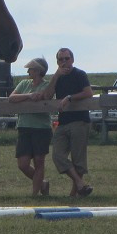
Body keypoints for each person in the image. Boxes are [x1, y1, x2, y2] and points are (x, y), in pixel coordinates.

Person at [34, 48, 94, 198]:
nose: (64, 62)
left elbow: (88, 93)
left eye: (66, 59)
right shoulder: (58, 77)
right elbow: (47, 95)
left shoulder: (80, 74)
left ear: (72, 60)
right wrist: (56, 76)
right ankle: (80, 184)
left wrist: (69, 97)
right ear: (57, 62)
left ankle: (74, 193)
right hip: (63, 122)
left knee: (78, 159)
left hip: (80, 121)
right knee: (57, 156)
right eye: (61, 60)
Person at [9, 56, 52, 197]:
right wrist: (29, 95)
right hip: (24, 127)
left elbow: (45, 97)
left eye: (31, 69)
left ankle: (34, 194)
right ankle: (43, 183)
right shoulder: (24, 84)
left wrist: (34, 96)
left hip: (41, 128)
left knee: (39, 161)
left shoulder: (47, 86)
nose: (29, 71)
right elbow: (12, 97)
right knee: (23, 164)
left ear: (39, 71)